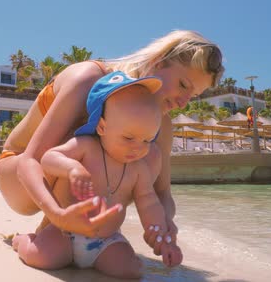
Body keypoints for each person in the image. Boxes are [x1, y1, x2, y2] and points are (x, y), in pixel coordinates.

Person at [0, 30, 224, 255]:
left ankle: (94, 234)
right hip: (19, 172)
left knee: (148, 154)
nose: (184, 103)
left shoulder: (161, 124)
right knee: (88, 143)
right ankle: (54, 228)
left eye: (193, 95)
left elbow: (163, 193)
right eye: (183, 85)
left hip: (56, 179)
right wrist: (56, 213)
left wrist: (162, 223)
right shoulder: (89, 79)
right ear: (157, 62)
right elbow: (31, 161)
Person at [12, 72, 182, 278]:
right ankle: (22, 241)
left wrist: (160, 235)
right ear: (102, 126)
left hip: (107, 240)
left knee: (131, 270)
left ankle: (106, 258)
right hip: (65, 232)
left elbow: (148, 202)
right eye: (128, 137)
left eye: (147, 140)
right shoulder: (86, 147)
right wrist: (72, 168)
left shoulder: (138, 169)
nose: (138, 148)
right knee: (41, 257)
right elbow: (49, 158)